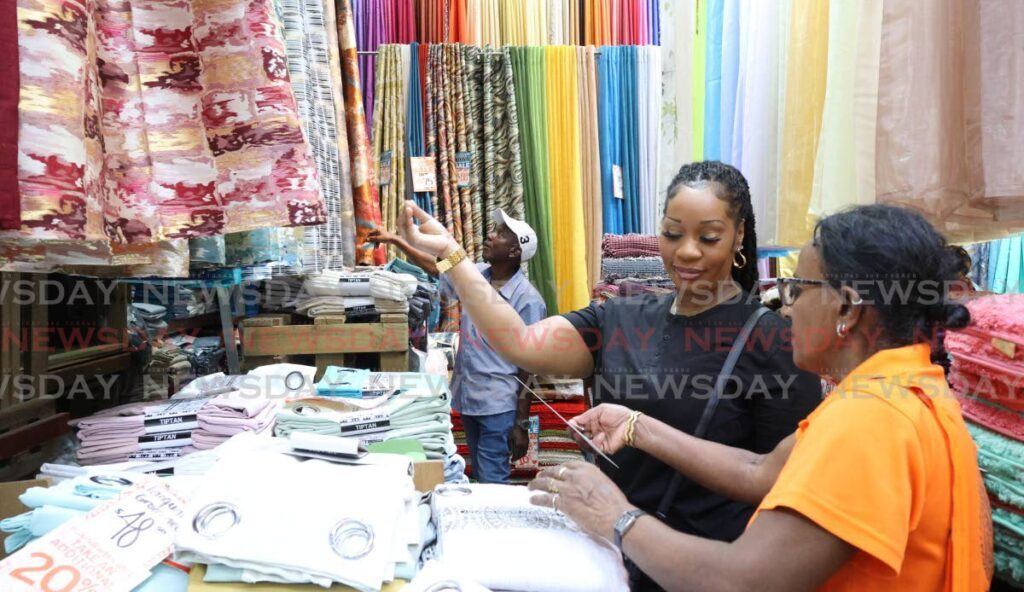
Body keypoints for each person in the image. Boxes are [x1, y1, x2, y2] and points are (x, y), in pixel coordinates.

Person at [397, 161, 823, 589]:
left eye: (708, 237)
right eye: (673, 234)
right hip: (604, 564)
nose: (687, 251)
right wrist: (453, 256)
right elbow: (520, 341)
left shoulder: (774, 342)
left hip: (698, 571)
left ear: (739, 236)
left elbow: (780, 487)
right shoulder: (620, 318)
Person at [528, 204, 992, 591]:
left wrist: (615, 515)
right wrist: (636, 426)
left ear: (847, 308)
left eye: (795, 289)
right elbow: (762, 471)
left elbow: (743, 582)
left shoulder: (871, 419)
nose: (785, 306)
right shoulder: (910, 384)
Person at [370, 210, 546, 484]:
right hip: (469, 398)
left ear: (514, 251)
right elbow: (436, 266)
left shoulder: (528, 300)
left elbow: (530, 366)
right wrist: (397, 240)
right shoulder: (475, 274)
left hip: (498, 404)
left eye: (500, 234)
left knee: (492, 481)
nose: (490, 236)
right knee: (479, 474)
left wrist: (521, 423)